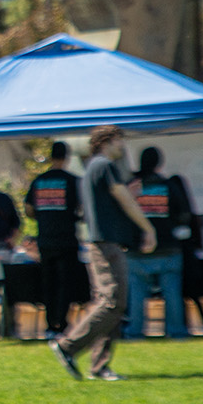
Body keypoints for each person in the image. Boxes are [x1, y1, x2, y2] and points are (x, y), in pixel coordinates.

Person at [48, 127, 156, 382]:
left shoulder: (92, 167)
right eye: (120, 140)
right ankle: (67, 346)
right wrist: (147, 227)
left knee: (111, 305)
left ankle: (100, 366)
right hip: (105, 243)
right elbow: (123, 198)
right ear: (108, 141)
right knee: (111, 302)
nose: (122, 146)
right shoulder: (105, 165)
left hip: (102, 242)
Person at [123, 147, 197, 339]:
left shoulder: (131, 186)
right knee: (172, 293)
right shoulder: (169, 185)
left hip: (136, 250)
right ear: (159, 163)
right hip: (168, 249)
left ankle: (135, 333)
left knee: (137, 295)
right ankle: (176, 333)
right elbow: (184, 215)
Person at [24, 141, 85, 338]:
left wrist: (44, 217)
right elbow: (82, 208)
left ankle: (50, 324)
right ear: (66, 157)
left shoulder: (39, 181)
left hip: (45, 240)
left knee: (48, 283)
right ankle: (62, 323)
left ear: (50, 156)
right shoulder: (72, 180)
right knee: (65, 283)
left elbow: (29, 209)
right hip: (66, 239)